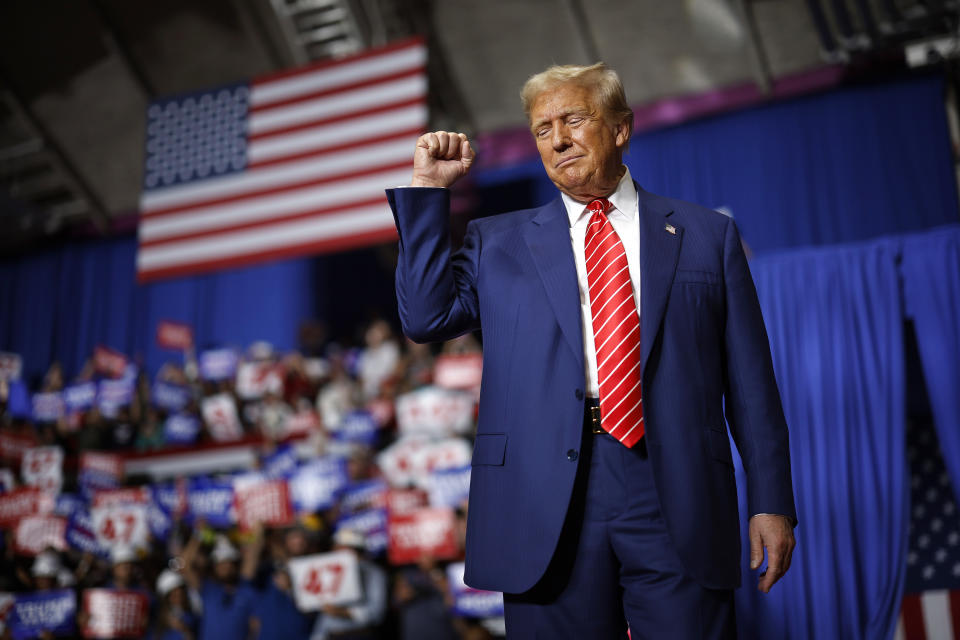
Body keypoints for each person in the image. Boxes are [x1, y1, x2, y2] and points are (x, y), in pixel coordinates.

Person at [387, 62, 797, 639]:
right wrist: (429, 191)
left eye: (574, 120)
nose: (557, 140)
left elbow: (751, 383)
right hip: (542, 493)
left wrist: (771, 500)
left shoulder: (708, 236)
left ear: (621, 128)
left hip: (673, 484)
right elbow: (426, 318)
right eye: (541, 128)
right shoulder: (496, 241)